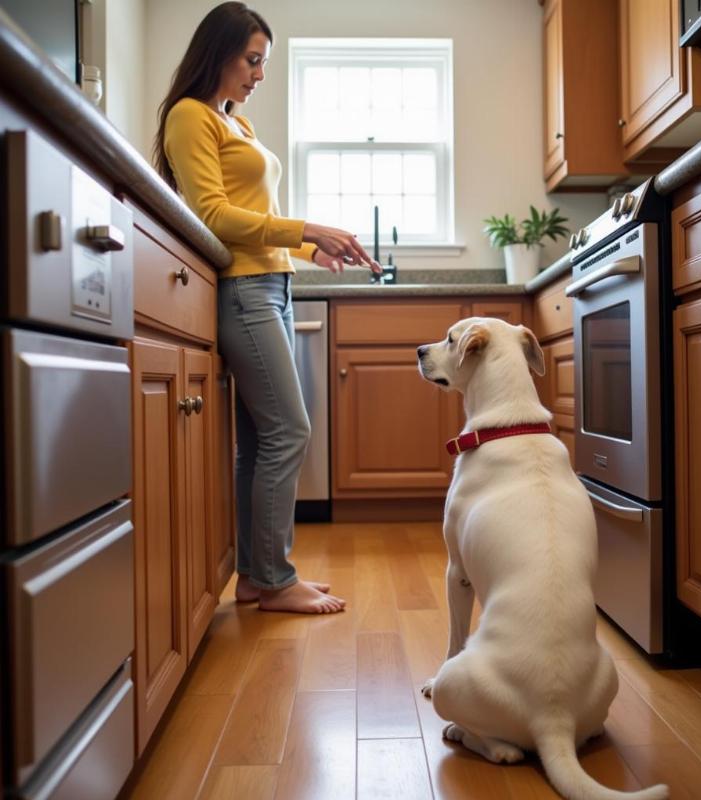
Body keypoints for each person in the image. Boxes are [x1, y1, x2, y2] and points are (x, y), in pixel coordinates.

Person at [154, 2, 380, 614]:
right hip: (245, 294)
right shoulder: (189, 116)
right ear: (219, 52)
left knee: (260, 441)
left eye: (264, 63)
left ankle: (256, 576)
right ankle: (276, 580)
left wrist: (312, 249)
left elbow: (250, 222)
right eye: (252, 60)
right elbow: (213, 217)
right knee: (290, 431)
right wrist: (309, 227)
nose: (259, 74)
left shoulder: (239, 125)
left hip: (274, 287)